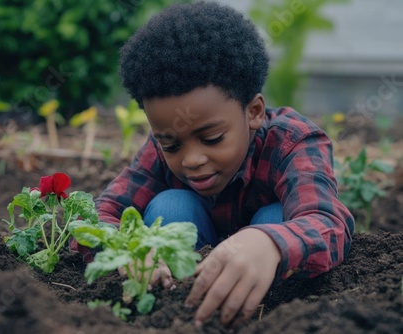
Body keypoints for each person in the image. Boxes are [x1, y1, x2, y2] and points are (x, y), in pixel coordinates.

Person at [92, 1, 354, 329]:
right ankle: (178, 306)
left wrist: (270, 242)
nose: (191, 159)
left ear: (254, 112)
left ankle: (267, 311)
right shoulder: (158, 151)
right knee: (170, 208)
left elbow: (328, 222)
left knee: (276, 218)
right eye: (171, 144)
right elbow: (102, 214)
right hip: (189, 305)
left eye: (212, 138)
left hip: (269, 310)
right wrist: (128, 249)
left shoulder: (292, 142)